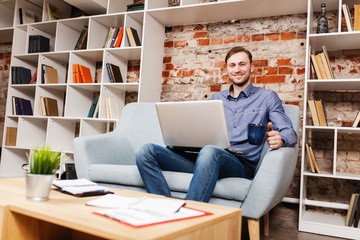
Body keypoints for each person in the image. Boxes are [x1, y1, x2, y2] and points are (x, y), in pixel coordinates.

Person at [136, 46, 298, 202]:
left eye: (242, 64)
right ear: (227, 69)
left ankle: (187, 216)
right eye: (232, 65)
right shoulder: (216, 98)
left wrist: (281, 138)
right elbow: (205, 133)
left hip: (240, 165)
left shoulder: (267, 97)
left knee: (210, 151)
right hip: (205, 159)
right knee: (146, 152)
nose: (237, 69)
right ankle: (164, 208)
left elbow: (289, 132)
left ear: (252, 67)